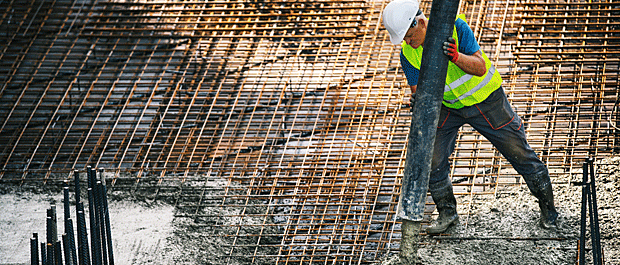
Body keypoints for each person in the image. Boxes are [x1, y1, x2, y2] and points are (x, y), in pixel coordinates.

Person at [382, 0, 558, 234]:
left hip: (486, 100)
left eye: (409, 36)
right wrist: (417, 100)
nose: (407, 42)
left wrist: (456, 57)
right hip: (448, 107)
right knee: (432, 158)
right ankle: (447, 214)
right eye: (404, 39)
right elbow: (418, 90)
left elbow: (480, 67)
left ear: (421, 23)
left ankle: (549, 210)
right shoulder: (408, 54)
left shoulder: (456, 28)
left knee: (518, 152)